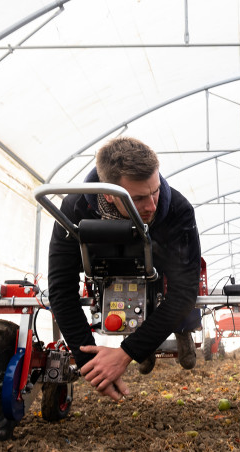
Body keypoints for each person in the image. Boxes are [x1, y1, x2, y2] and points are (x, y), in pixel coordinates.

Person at [48, 137, 201, 402]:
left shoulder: (177, 209)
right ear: (108, 194)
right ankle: (146, 343)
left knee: (172, 292)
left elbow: (185, 291)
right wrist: (91, 363)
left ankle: (181, 330)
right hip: (105, 264)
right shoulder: (74, 209)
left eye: (155, 191)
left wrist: (126, 353)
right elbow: (61, 289)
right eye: (140, 198)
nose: (152, 205)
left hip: (157, 266)